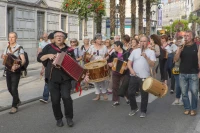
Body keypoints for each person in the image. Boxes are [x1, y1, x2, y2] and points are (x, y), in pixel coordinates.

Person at [37, 31, 75, 127]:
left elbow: (74, 64)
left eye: (61, 36)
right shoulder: (49, 47)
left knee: (67, 98)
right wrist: (48, 55)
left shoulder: (69, 50)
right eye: (57, 36)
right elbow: (39, 57)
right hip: (52, 78)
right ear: (54, 38)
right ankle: (58, 119)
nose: (59, 38)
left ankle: (69, 118)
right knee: (55, 100)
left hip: (65, 78)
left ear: (64, 38)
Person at [127, 35, 156, 118]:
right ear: (139, 42)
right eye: (141, 41)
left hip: (145, 77)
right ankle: (134, 108)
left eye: (144, 41)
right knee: (130, 93)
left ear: (147, 42)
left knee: (144, 95)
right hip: (134, 75)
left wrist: (146, 57)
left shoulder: (151, 52)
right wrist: (131, 70)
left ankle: (143, 111)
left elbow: (153, 64)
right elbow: (129, 63)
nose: (143, 43)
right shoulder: (135, 51)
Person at [174, 30, 200, 116]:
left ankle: (193, 108)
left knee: (194, 91)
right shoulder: (181, 46)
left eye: (188, 36)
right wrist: (179, 50)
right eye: (185, 36)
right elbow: (176, 59)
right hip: (183, 73)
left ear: (192, 37)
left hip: (194, 73)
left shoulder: (197, 46)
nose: (185, 37)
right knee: (184, 92)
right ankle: (187, 108)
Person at [2, 32, 26, 114]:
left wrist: (19, 66)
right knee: (9, 88)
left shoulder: (19, 48)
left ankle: (14, 106)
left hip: (16, 71)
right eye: (10, 37)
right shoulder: (7, 47)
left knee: (14, 88)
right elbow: (4, 56)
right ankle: (17, 100)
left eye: (13, 37)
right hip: (8, 70)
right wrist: (3, 56)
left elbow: (23, 60)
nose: (11, 39)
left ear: (16, 38)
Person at [108, 41, 130, 107]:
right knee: (115, 86)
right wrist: (110, 64)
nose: (114, 47)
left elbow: (130, 61)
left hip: (124, 72)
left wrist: (127, 67)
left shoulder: (126, 53)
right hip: (115, 72)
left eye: (114, 46)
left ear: (119, 46)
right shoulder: (113, 54)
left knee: (124, 86)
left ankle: (127, 98)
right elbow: (109, 61)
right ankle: (116, 100)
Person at [88, 33, 108, 100]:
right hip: (93, 65)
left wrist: (106, 58)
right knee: (95, 80)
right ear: (95, 40)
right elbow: (87, 56)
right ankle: (98, 95)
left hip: (101, 64)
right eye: (99, 39)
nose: (100, 40)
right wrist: (90, 56)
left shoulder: (104, 47)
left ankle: (104, 94)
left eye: (101, 39)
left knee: (102, 80)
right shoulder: (91, 47)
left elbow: (107, 55)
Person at [39, 32, 54, 103]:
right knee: (47, 82)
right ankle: (45, 98)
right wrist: (43, 69)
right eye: (44, 37)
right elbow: (40, 56)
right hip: (48, 67)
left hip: (57, 70)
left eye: (46, 37)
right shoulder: (44, 45)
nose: (46, 38)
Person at [171, 36, 183, 105]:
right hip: (176, 67)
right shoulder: (174, 47)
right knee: (178, 84)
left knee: (183, 85)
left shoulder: (186, 48)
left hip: (184, 68)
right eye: (178, 41)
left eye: (180, 41)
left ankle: (183, 97)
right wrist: (179, 50)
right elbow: (175, 59)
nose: (179, 43)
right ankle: (177, 97)